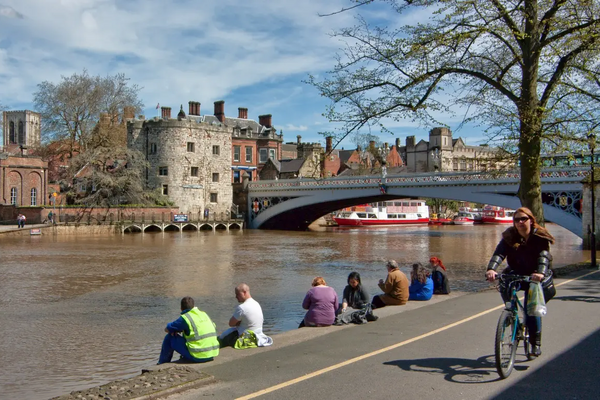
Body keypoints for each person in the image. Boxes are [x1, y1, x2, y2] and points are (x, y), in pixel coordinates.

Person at [485, 207, 555, 358]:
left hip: (535, 275)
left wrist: (540, 272)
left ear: (531, 220)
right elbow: (499, 253)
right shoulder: (510, 236)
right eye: (517, 220)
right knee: (506, 285)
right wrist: (491, 269)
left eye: (524, 219)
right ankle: (511, 314)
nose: (520, 222)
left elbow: (544, 256)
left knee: (532, 307)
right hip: (516, 272)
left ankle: (535, 343)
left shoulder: (539, 236)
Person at [158, 296, 219, 365]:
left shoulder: (185, 318)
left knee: (169, 338)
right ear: (193, 306)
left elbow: (167, 329)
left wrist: (176, 330)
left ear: (181, 308)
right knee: (189, 335)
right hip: (212, 354)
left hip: (198, 356)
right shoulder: (204, 314)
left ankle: (162, 364)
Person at [218, 283, 272, 348]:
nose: (236, 297)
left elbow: (231, 323)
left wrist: (238, 322)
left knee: (225, 336)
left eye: (237, 294)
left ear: (244, 292)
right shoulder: (256, 304)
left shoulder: (242, 307)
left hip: (246, 335)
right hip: (258, 333)